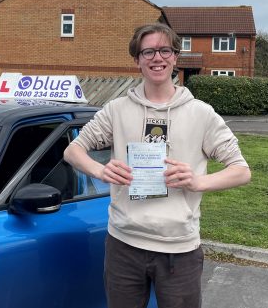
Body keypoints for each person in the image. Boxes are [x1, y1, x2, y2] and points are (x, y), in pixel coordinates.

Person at [63, 22, 251, 308]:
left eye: (164, 50)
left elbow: (241, 170)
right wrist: (100, 170)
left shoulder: (201, 114)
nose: (157, 58)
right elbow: (73, 150)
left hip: (180, 248)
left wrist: (198, 181)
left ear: (175, 57)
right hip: (123, 243)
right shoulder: (116, 110)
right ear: (137, 60)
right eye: (148, 51)